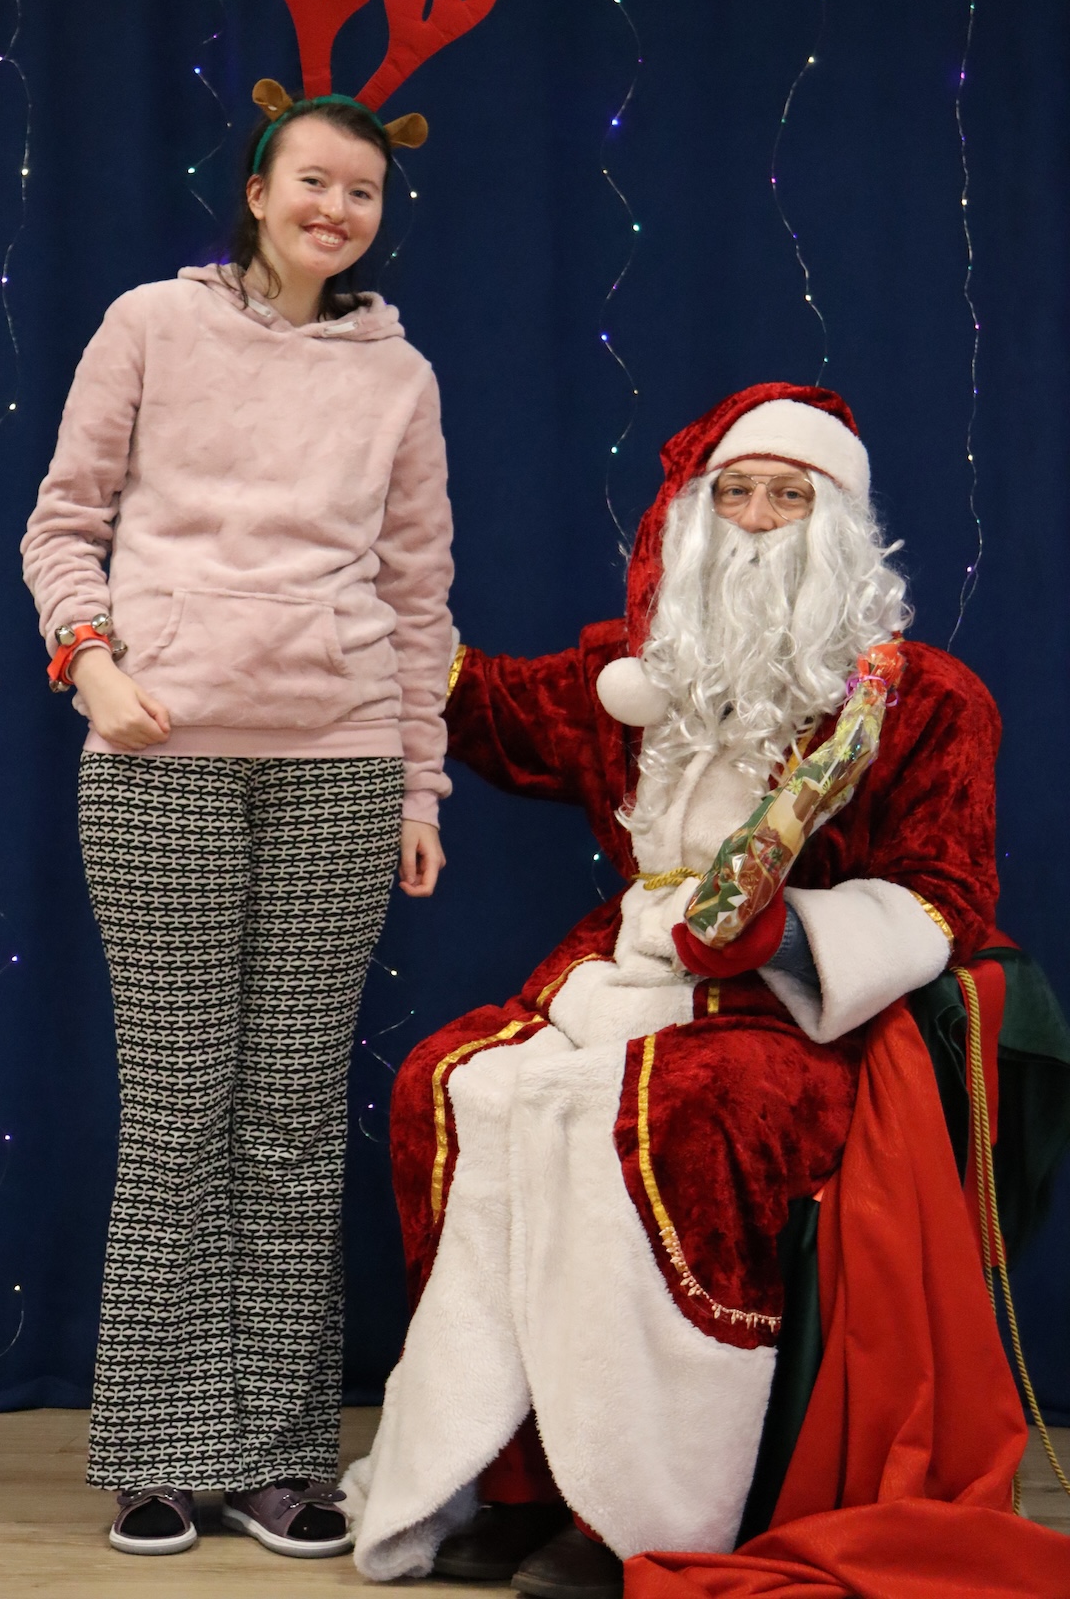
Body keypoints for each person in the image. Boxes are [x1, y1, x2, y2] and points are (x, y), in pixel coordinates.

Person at [346, 382, 1038, 1598]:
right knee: (447, 1088)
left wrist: (781, 931)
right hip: (618, 976)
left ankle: (639, 1511)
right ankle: (507, 1479)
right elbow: (490, 707)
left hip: (793, 1014)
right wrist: (367, 611)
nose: (757, 520)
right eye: (738, 494)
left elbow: (945, 897)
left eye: (789, 498)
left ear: (838, 523)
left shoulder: (924, 699)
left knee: (671, 1117)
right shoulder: (635, 676)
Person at [21, 89, 454, 1558]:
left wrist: (417, 782)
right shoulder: (150, 324)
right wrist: (93, 665)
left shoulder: (399, 377)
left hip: (340, 762)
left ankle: (276, 1454)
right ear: (259, 190)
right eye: (314, 182)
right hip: (165, 754)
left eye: (363, 193)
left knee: (291, 1116)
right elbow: (64, 521)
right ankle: (158, 1450)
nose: (337, 209)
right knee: (178, 1104)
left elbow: (417, 595)